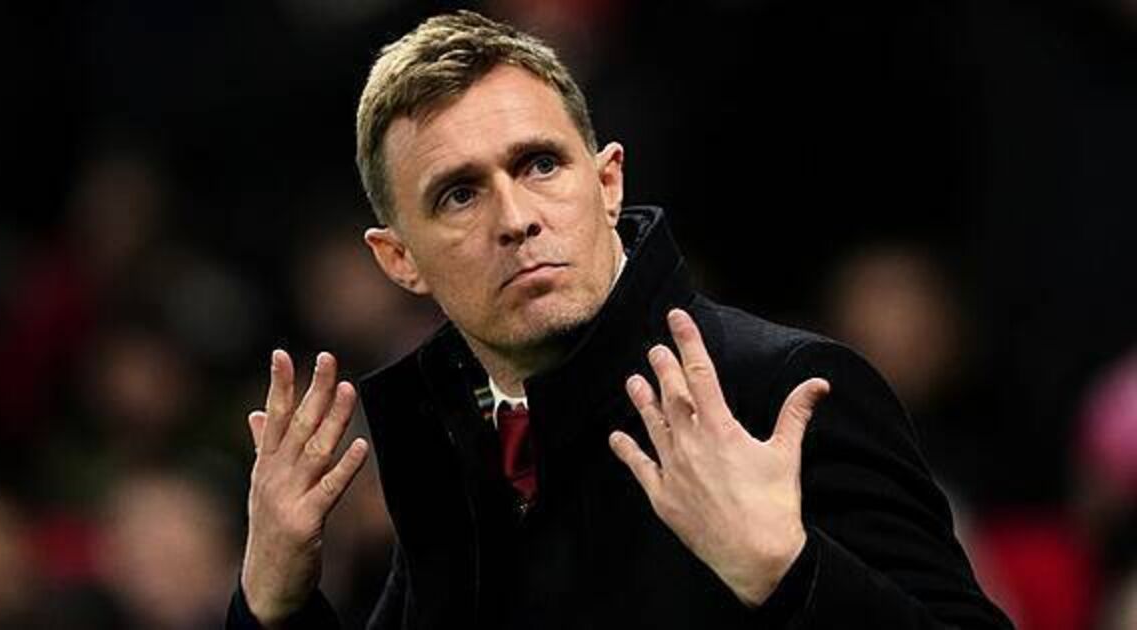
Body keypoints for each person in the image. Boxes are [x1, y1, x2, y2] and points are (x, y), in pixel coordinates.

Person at [228, 10, 1013, 629]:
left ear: (608, 183)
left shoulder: (781, 392)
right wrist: (272, 607)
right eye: (459, 194)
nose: (516, 218)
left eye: (540, 163)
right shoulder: (459, 457)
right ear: (399, 259)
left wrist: (791, 575)